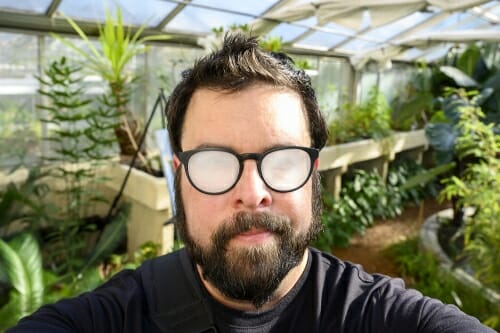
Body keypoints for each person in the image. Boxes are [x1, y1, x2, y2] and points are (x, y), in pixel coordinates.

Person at [7, 33, 494, 333]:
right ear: (179, 180)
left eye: (282, 160)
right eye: (216, 163)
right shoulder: (108, 319)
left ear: (313, 175)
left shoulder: (375, 315)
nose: (253, 191)